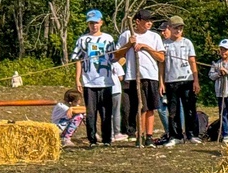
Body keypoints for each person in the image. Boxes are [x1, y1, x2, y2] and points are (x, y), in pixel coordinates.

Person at [113, 8, 166, 145]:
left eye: (151, 21)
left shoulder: (155, 37)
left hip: (150, 75)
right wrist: (129, 44)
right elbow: (116, 55)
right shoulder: (127, 34)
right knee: (139, 107)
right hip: (133, 76)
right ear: (137, 21)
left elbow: (161, 57)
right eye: (146, 20)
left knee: (150, 107)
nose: (149, 23)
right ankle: (139, 135)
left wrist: (146, 47)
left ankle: (149, 136)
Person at [70, 9, 116, 147]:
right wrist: (78, 79)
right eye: (91, 23)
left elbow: (115, 57)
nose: (93, 26)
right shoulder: (82, 40)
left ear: (101, 22)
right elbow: (77, 59)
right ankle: (92, 140)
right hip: (89, 82)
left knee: (106, 112)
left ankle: (107, 139)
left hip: (106, 81)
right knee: (91, 113)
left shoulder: (108, 39)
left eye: (96, 23)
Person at [163, 17, 200, 145]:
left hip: (187, 79)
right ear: (169, 28)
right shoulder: (164, 44)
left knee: (190, 108)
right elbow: (161, 64)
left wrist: (196, 81)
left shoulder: (187, 43)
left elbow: (192, 62)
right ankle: (175, 136)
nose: (178, 30)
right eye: (175, 28)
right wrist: (161, 82)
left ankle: (192, 134)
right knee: (173, 110)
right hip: (170, 80)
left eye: (180, 28)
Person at [110, 56, 127, 141]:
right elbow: (121, 78)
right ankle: (117, 133)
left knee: (108, 113)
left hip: (107, 89)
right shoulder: (116, 64)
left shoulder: (102, 63)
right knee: (116, 112)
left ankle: (110, 134)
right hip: (116, 89)